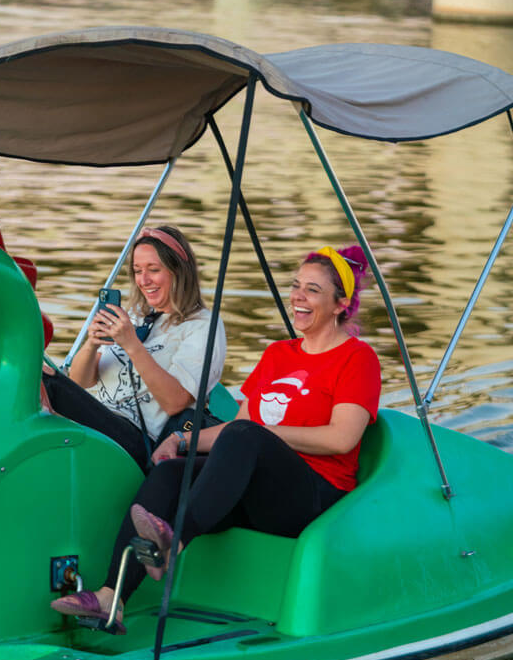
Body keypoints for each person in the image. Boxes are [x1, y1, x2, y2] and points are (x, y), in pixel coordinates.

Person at [52, 244, 381, 630]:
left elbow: (342, 439)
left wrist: (261, 434)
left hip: (313, 495)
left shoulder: (358, 358)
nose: (298, 297)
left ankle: (173, 544)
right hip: (257, 490)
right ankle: (113, 596)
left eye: (312, 290)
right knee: (171, 472)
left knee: (247, 434)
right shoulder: (279, 354)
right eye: (295, 286)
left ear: (341, 304)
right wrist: (183, 442)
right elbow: (235, 429)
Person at [42, 225, 226, 472]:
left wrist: (132, 344)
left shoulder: (202, 326)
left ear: (179, 272)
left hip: (142, 440)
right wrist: (92, 343)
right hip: (102, 418)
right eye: (138, 271)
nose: (144, 280)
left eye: (153, 270)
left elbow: (175, 403)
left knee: (45, 377)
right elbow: (81, 382)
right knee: (38, 374)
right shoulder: (134, 316)